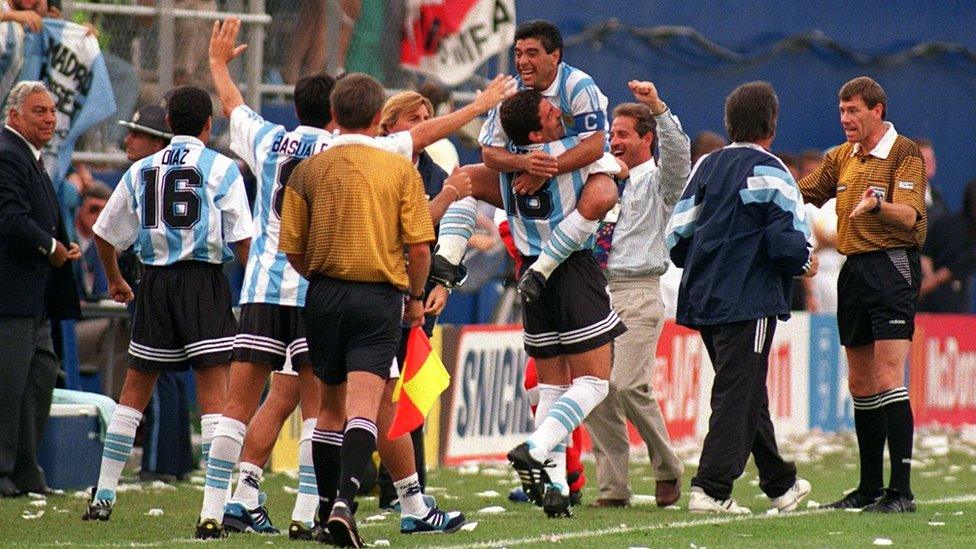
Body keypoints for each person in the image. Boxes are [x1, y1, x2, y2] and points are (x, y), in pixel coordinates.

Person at [198, 17, 507, 541]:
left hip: (276, 287)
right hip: (347, 291)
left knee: (261, 401)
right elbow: (421, 146)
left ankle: (227, 502)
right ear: (356, 116)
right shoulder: (378, 154)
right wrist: (477, 109)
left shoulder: (271, 141)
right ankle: (333, 508)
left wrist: (217, 66)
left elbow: (233, 108)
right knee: (353, 403)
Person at [278, 73, 460, 548]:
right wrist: (415, 301)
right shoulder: (400, 171)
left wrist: (318, 275)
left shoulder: (308, 170)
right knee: (368, 406)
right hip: (378, 296)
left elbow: (291, 247)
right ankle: (344, 504)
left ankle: (323, 510)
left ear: (334, 116)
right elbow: (420, 248)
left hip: (322, 294)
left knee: (329, 411)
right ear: (380, 118)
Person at [82, 86, 253, 530]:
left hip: (154, 281)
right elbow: (242, 242)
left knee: (133, 395)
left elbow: (103, 233)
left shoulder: (141, 170)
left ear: (169, 125)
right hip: (203, 282)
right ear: (208, 125)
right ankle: (214, 512)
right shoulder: (223, 168)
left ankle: (103, 495)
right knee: (215, 399)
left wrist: (116, 279)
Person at [667, 81, 815, 515]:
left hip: (704, 299)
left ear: (729, 123)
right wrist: (806, 262)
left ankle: (780, 485)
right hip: (749, 301)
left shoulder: (706, 167)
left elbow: (677, 238)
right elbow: (790, 246)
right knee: (737, 393)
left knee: (746, 390)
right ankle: (711, 489)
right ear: (772, 124)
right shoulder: (773, 170)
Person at [497, 88, 626, 519]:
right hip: (570, 268)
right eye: (552, 114)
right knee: (593, 383)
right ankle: (536, 447)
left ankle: (555, 488)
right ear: (536, 132)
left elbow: (466, 181)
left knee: (552, 387)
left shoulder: (504, 160)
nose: (561, 115)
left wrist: (448, 261)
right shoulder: (569, 152)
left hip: (529, 272)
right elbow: (613, 166)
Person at [799, 77, 926, 513]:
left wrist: (878, 205)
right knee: (860, 383)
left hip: (892, 265)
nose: (845, 119)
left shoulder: (903, 153)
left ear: (877, 110)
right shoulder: (840, 156)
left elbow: (910, 217)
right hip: (853, 271)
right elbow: (803, 193)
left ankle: (902, 492)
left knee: (890, 376)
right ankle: (870, 487)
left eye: (853, 111)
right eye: (841, 111)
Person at [430, 19, 621, 303]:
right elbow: (490, 152)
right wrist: (526, 165)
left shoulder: (578, 86)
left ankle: (542, 269)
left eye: (531, 53)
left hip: (578, 177)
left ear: (555, 56)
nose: (522, 61)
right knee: (465, 178)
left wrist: (546, 170)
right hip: (527, 184)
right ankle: (446, 264)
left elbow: (593, 146)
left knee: (605, 192)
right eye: (518, 54)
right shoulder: (511, 91)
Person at [584, 80, 688, 509]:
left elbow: (680, 159)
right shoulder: (603, 183)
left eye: (623, 133)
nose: (615, 141)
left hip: (638, 291)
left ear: (647, 138)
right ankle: (613, 488)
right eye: (611, 134)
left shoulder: (660, 183)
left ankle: (668, 467)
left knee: (626, 385)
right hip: (595, 292)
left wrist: (659, 108)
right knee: (593, 390)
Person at [0, 80, 81, 498]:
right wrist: (49, 246)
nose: (50, 118)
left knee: (38, 379)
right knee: (9, 387)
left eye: (52, 111)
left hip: (34, 297)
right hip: (10, 298)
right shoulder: (7, 153)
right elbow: (9, 219)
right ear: (14, 115)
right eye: (39, 111)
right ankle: (2, 473)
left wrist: (61, 245)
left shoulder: (29, 156)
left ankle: (27, 470)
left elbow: (38, 216)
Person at [919, 178, 976, 312]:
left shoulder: (945, 221)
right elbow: (927, 252)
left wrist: (928, 281)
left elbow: (926, 253)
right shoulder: (948, 224)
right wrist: (930, 281)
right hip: (946, 300)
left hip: (931, 291)